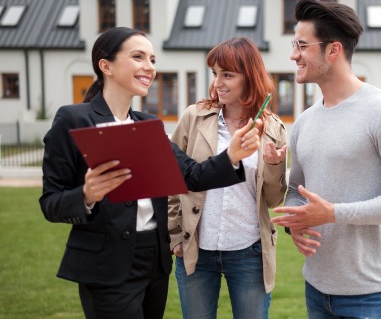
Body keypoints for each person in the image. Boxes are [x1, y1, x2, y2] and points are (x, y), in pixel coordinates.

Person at [39, 27, 262, 319]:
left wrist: (231, 156)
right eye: (138, 56)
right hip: (107, 264)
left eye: (153, 59)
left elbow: (190, 176)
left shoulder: (149, 125)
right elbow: (50, 203)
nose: (150, 67)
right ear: (106, 66)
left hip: (153, 263)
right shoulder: (73, 119)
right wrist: (86, 195)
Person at [270, 0, 381, 318]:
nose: (293, 55)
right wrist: (296, 225)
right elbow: (296, 190)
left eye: (301, 45)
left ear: (333, 50)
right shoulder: (304, 121)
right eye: (293, 44)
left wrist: (332, 213)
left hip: (370, 294)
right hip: (316, 289)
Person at [168, 37, 288, 319]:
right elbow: (172, 177)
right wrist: (174, 234)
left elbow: (272, 199)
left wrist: (274, 165)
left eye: (228, 75)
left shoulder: (272, 128)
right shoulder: (194, 117)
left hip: (248, 252)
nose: (218, 82)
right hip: (196, 249)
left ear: (250, 77)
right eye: (215, 73)